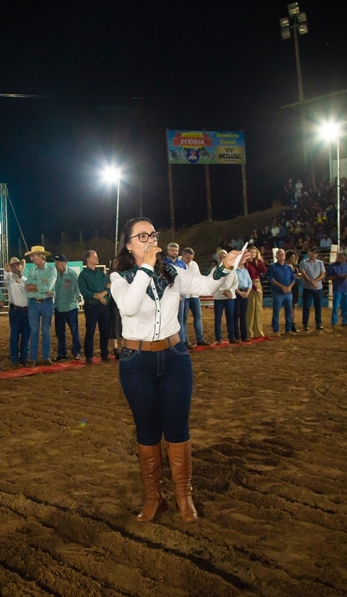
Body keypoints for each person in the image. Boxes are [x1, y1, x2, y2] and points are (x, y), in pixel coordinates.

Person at [110, 217, 249, 524]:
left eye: (153, 234)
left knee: (178, 429)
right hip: (137, 361)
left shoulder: (173, 272)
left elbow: (207, 285)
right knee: (147, 432)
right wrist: (146, 267)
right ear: (129, 244)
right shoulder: (119, 277)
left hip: (174, 357)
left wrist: (226, 266)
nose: (150, 239)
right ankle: (153, 499)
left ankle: (183, 497)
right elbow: (129, 307)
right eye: (142, 235)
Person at [24, 246, 57, 366]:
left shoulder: (51, 270)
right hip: (39, 302)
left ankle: (42, 357)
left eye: (33, 256)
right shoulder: (33, 270)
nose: (31, 258)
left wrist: (34, 287)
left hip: (43, 302)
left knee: (45, 331)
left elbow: (47, 287)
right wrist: (41, 288)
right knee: (36, 331)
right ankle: (36, 358)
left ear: (40, 256)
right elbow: (27, 288)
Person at [78, 250, 110, 364]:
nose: (97, 258)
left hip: (103, 306)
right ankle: (89, 356)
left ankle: (105, 354)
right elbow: (84, 291)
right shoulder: (83, 275)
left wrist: (103, 297)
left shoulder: (101, 273)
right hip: (91, 307)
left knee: (104, 331)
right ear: (88, 259)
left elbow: (108, 287)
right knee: (90, 331)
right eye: (95, 257)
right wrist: (99, 296)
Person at [53, 254, 82, 361]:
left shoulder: (72, 275)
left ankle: (77, 351)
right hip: (58, 307)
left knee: (74, 331)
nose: (56, 265)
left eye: (58, 263)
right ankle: (62, 352)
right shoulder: (54, 275)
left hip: (70, 307)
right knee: (60, 332)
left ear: (64, 263)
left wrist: (75, 302)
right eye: (55, 263)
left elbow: (77, 290)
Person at [4, 257, 31, 368]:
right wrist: (8, 271)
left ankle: (24, 358)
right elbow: (6, 278)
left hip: (26, 310)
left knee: (25, 336)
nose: (16, 267)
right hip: (15, 311)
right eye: (14, 265)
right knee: (15, 336)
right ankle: (15, 359)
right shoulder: (9, 279)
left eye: (18, 265)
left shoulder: (25, 280)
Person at [180, 248, 209, 347]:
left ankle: (200, 339)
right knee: (183, 318)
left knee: (198, 316)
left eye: (191, 258)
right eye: (188, 258)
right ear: (183, 256)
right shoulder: (178, 264)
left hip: (194, 294)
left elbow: (198, 277)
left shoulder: (194, 264)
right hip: (185, 295)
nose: (190, 260)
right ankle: (184, 340)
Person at [164, 242, 188, 346]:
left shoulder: (182, 264)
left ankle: (182, 341)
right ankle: (169, 341)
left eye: (176, 250)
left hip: (181, 294)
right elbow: (164, 280)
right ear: (168, 251)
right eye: (172, 250)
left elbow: (185, 280)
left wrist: (181, 293)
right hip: (168, 295)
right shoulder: (163, 263)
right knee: (168, 317)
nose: (174, 252)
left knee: (181, 318)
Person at [267, 249, 296, 335]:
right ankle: (276, 330)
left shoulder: (288, 267)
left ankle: (288, 329)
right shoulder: (273, 267)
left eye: (283, 254)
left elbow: (293, 279)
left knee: (288, 311)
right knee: (276, 312)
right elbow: (271, 279)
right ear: (276, 257)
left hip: (287, 292)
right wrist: (282, 286)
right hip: (278, 292)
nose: (281, 256)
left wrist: (289, 287)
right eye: (279, 254)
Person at [211, 250, 237, 343]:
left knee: (230, 317)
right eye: (220, 257)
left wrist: (230, 291)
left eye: (224, 256)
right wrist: (223, 291)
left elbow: (236, 282)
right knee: (218, 318)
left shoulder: (232, 269)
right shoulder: (214, 270)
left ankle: (231, 337)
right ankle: (219, 338)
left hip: (230, 297)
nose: (222, 258)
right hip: (219, 297)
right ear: (217, 258)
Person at [300, 247, 326, 331]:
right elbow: (303, 274)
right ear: (309, 252)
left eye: (315, 253)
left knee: (318, 306)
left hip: (317, 288)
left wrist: (314, 281)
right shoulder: (303, 262)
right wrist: (312, 282)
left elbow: (323, 274)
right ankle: (305, 324)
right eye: (312, 252)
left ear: (317, 254)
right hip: (308, 288)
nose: (313, 254)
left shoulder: (320, 263)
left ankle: (318, 323)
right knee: (306, 306)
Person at [244, 246, 266, 339]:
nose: (253, 254)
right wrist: (254, 287)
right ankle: (250, 332)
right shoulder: (246, 264)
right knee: (251, 309)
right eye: (251, 252)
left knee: (258, 308)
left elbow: (264, 270)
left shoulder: (256, 263)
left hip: (258, 283)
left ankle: (258, 332)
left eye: (255, 252)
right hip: (250, 285)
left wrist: (259, 260)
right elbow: (247, 277)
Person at [233, 255, 252, 342]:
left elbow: (249, 283)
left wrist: (247, 293)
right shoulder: (233, 271)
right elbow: (232, 284)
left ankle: (244, 335)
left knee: (243, 315)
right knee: (236, 315)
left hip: (245, 292)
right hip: (237, 293)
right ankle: (236, 335)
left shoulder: (245, 271)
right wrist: (240, 293)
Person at [328, 252, 347, 327]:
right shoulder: (332, 266)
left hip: (345, 287)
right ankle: (334, 322)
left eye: (344, 259)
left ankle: (345, 321)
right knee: (336, 306)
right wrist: (338, 277)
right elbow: (329, 277)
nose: (342, 261)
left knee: (345, 305)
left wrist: (346, 277)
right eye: (341, 259)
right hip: (338, 288)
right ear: (338, 258)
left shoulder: (346, 265)